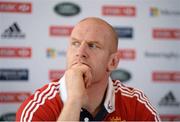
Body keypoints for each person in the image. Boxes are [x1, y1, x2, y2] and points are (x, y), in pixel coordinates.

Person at [16, 17, 160, 121]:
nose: (80, 52)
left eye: (92, 45)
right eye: (75, 43)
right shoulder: (38, 107)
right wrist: (74, 100)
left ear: (113, 61)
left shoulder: (136, 105)